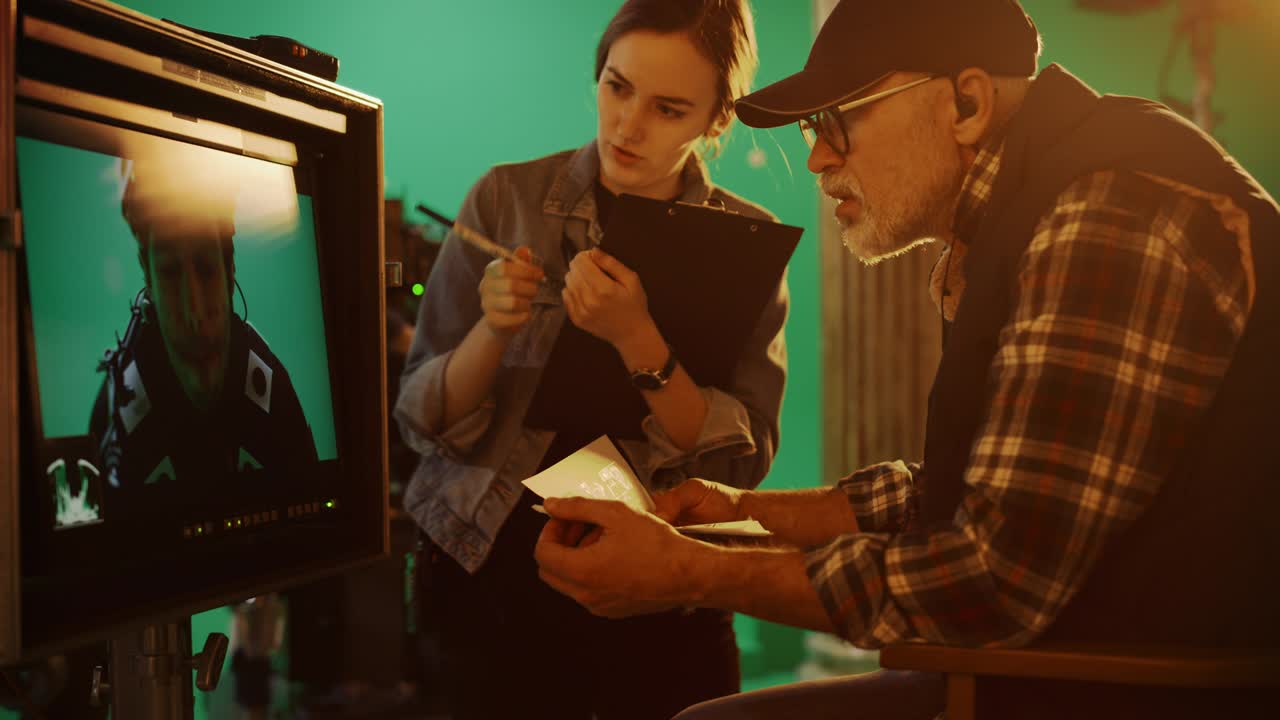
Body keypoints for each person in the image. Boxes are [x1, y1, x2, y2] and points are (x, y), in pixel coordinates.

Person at [534, 1, 1280, 718]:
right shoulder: (1034, 213)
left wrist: (687, 569)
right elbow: (983, 491)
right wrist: (744, 510)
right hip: (1044, 674)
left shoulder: (1111, 220)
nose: (819, 157)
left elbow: (994, 580)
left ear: (966, 104)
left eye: (837, 121)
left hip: (1125, 693)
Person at [394, 0, 788, 717]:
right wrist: (493, 329)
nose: (627, 126)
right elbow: (418, 422)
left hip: (658, 602)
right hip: (487, 577)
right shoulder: (505, 199)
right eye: (616, 86)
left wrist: (638, 338)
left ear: (716, 119)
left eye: (669, 109)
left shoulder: (746, 247)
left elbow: (744, 461)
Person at [90, 157, 317, 495]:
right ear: (148, 277)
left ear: (230, 269)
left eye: (206, 268)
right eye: (169, 271)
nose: (194, 312)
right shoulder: (117, 419)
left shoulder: (273, 390)